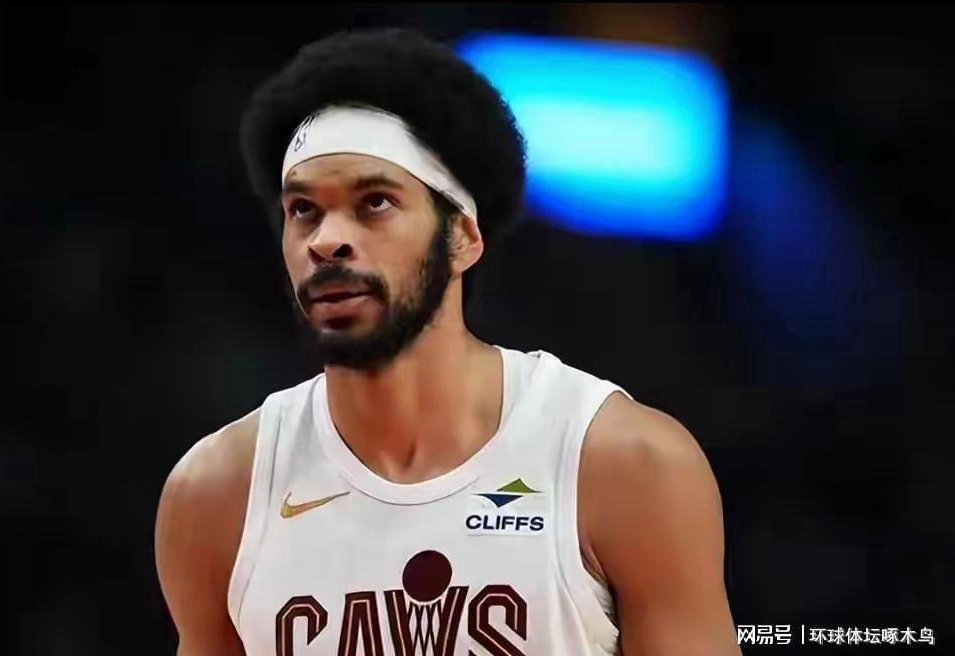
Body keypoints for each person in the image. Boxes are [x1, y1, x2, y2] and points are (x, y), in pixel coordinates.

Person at [155, 28, 740, 656]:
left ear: (462, 236)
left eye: (374, 202)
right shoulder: (218, 493)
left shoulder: (625, 464)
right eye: (303, 210)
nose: (325, 240)